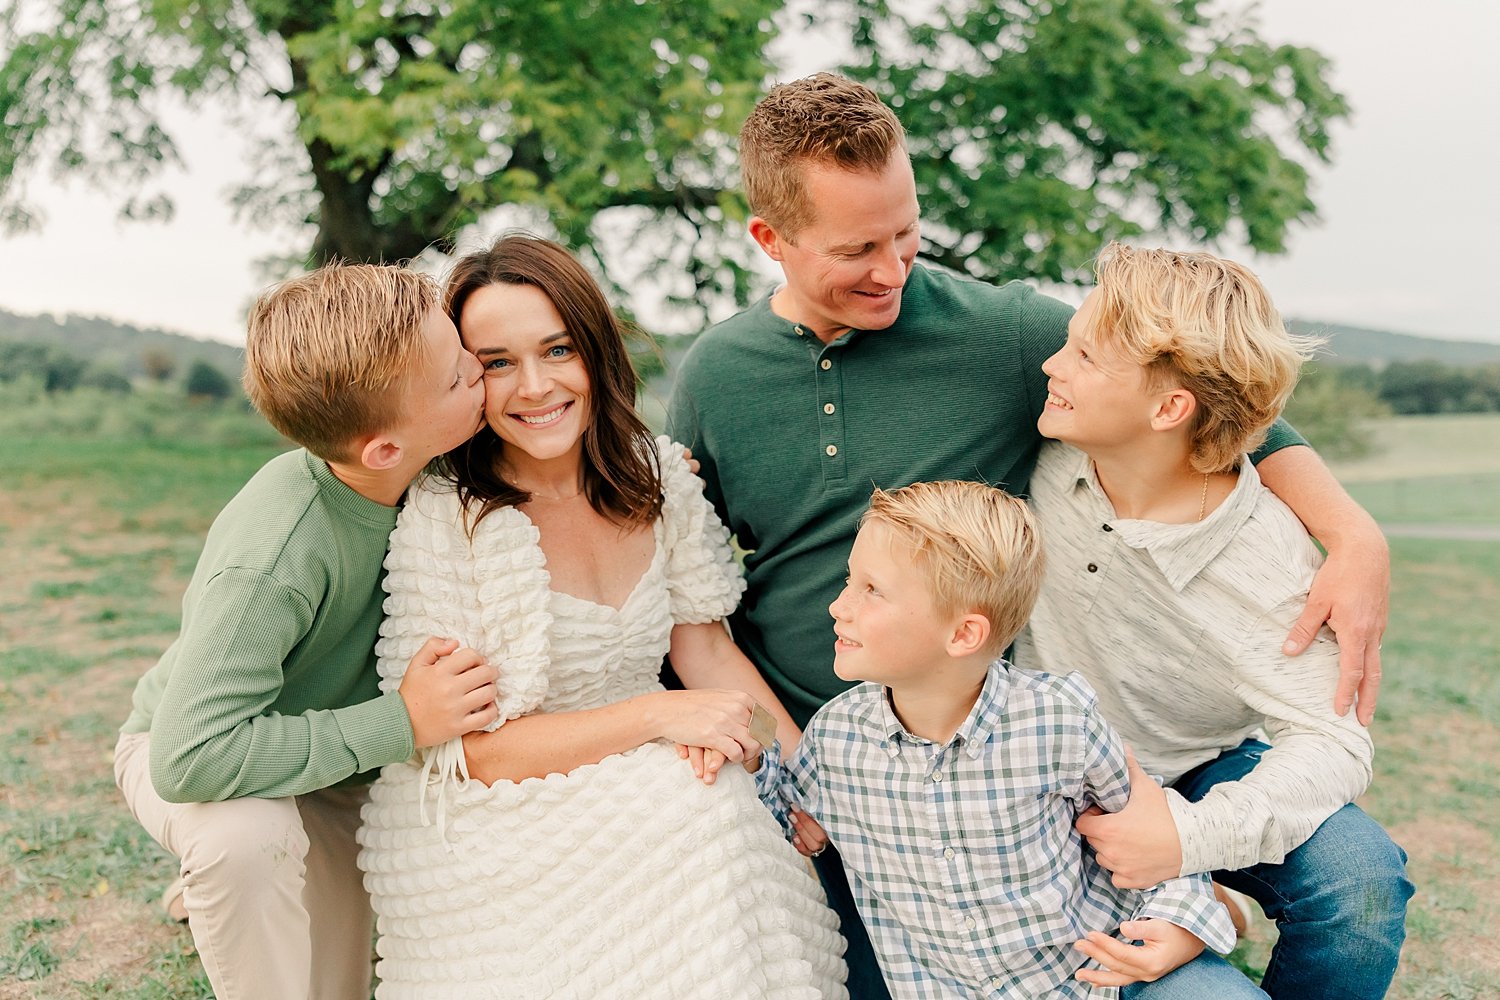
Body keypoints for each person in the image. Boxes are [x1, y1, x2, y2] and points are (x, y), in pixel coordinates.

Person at [667, 71, 1391, 996]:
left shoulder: (1008, 333)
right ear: (770, 238)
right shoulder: (717, 375)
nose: (892, 269)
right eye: (857, 249)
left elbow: (1211, 404)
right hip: (830, 759)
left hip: (1016, 747)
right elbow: (684, 565)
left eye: (906, 232)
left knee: (1354, 881)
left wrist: (1352, 532)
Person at [356, 235, 846, 999]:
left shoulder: (660, 480)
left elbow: (711, 660)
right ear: (461, 377)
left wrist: (802, 774)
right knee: (698, 806)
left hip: (652, 768)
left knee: (715, 804)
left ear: (594, 350)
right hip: (493, 815)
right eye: (496, 363)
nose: (534, 386)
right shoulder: (445, 520)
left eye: (557, 350)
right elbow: (467, 756)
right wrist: (659, 717)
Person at [1012, 244, 1413, 1000]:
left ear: (1168, 411)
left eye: (1084, 355)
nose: (1050, 366)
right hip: (1046, 772)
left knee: (1360, 883)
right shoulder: (1052, 447)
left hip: (1195, 767)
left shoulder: (1266, 558)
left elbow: (1334, 740)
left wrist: (1188, 838)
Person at [114, 264, 504, 999]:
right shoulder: (278, 554)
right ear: (383, 448)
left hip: (343, 766)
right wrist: (404, 721)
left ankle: (229, 896)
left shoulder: (429, 463)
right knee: (245, 846)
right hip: (210, 752)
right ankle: (221, 884)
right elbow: (190, 756)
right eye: (458, 379)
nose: (479, 375)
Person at [755, 480, 1264, 999]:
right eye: (850, 580)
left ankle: (1222, 916)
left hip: (1104, 977)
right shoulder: (836, 739)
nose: (839, 605)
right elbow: (779, 804)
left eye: (872, 590)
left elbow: (1157, 839)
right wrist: (742, 741)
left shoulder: (1058, 719)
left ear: (963, 635)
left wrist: (1180, 927)